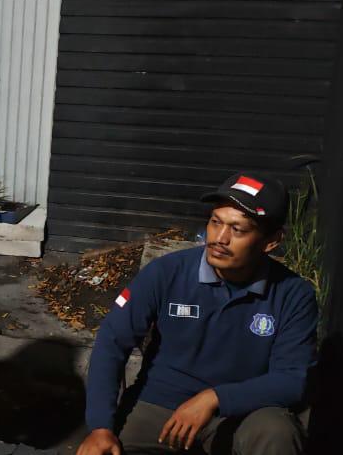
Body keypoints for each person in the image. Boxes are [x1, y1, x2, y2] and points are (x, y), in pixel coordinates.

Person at [79, 172, 318, 455]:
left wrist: (215, 398)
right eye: (216, 222)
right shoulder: (166, 272)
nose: (220, 238)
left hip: (242, 414)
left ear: (271, 241)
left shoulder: (293, 294)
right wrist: (100, 427)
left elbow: (293, 380)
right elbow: (112, 341)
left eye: (238, 229)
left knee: (277, 432)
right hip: (160, 406)